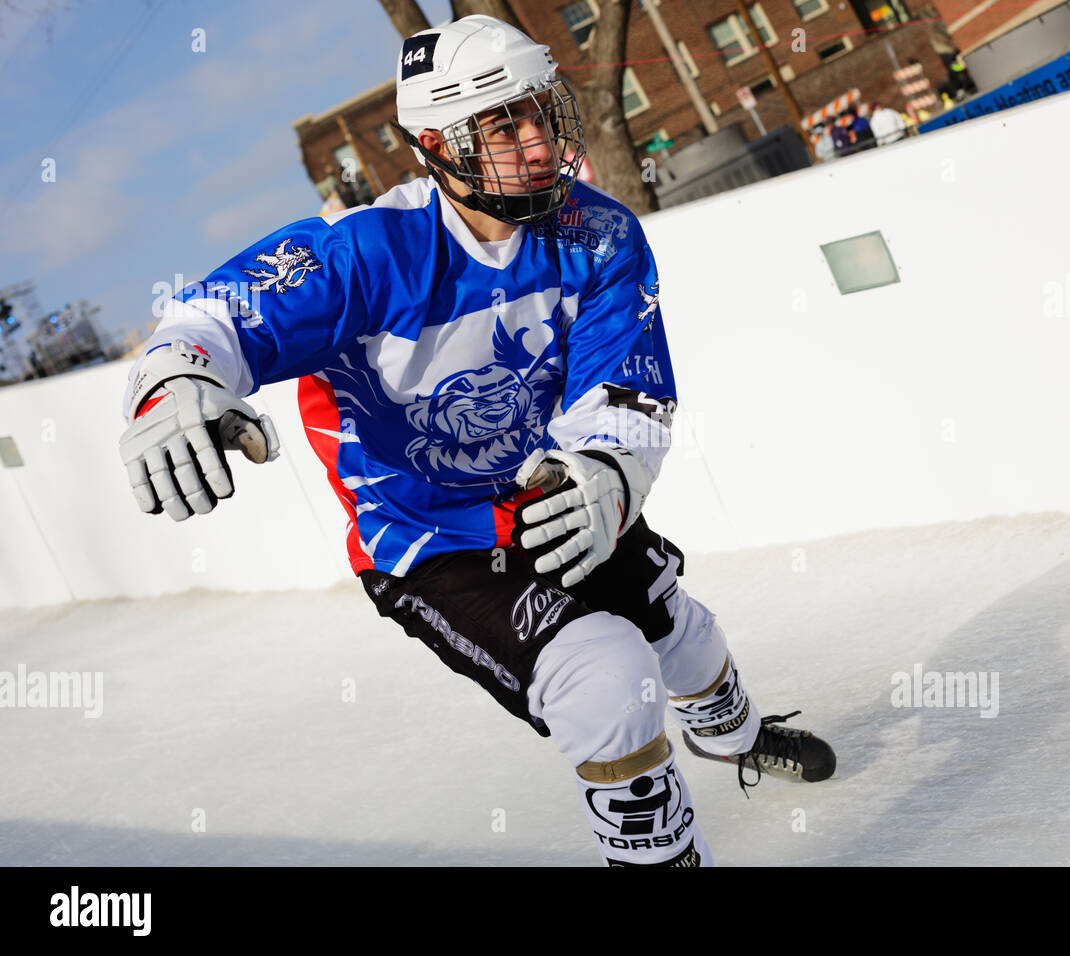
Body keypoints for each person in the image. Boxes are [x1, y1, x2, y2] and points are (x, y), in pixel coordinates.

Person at [116, 14, 834, 867]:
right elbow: (216, 316)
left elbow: (625, 385)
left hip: (551, 493)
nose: (535, 144)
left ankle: (734, 733)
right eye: (500, 125)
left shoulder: (595, 234)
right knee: (608, 681)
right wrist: (176, 380)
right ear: (434, 144)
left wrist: (607, 469)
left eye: (540, 112)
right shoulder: (369, 253)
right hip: (429, 538)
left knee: (681, 629)